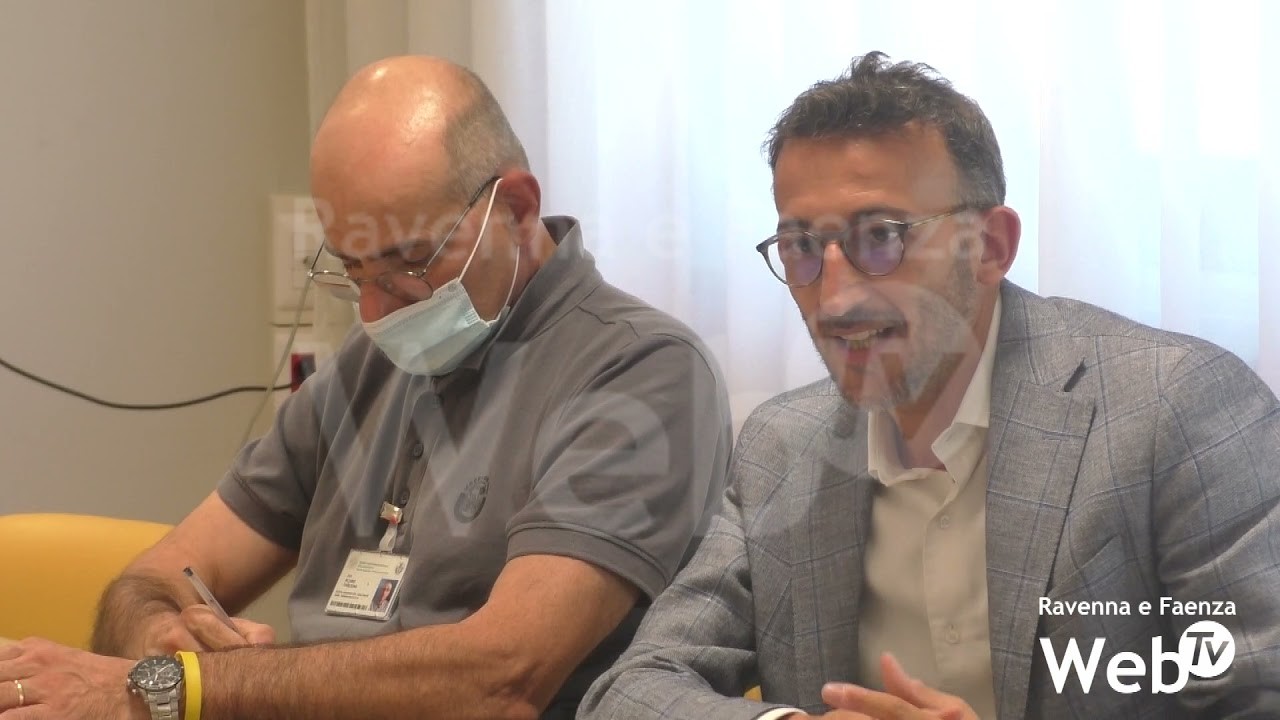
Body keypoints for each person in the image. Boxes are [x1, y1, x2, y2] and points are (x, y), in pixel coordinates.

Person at [0, 55, 730, 720]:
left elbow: (500, 677)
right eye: (353, 272)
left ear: (515, 208)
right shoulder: (369, 365)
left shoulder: (641, 371)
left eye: (408, 263)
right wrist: (160, 638)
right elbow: (154, 578)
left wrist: (175, 688)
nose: (377, 313)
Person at [579, 52, 1280, 720]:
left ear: (991, 247)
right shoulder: (781, 447)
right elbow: (629, 691)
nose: (834, 297)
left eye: (882, 236)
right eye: (801, 247)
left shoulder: (1173, 409)